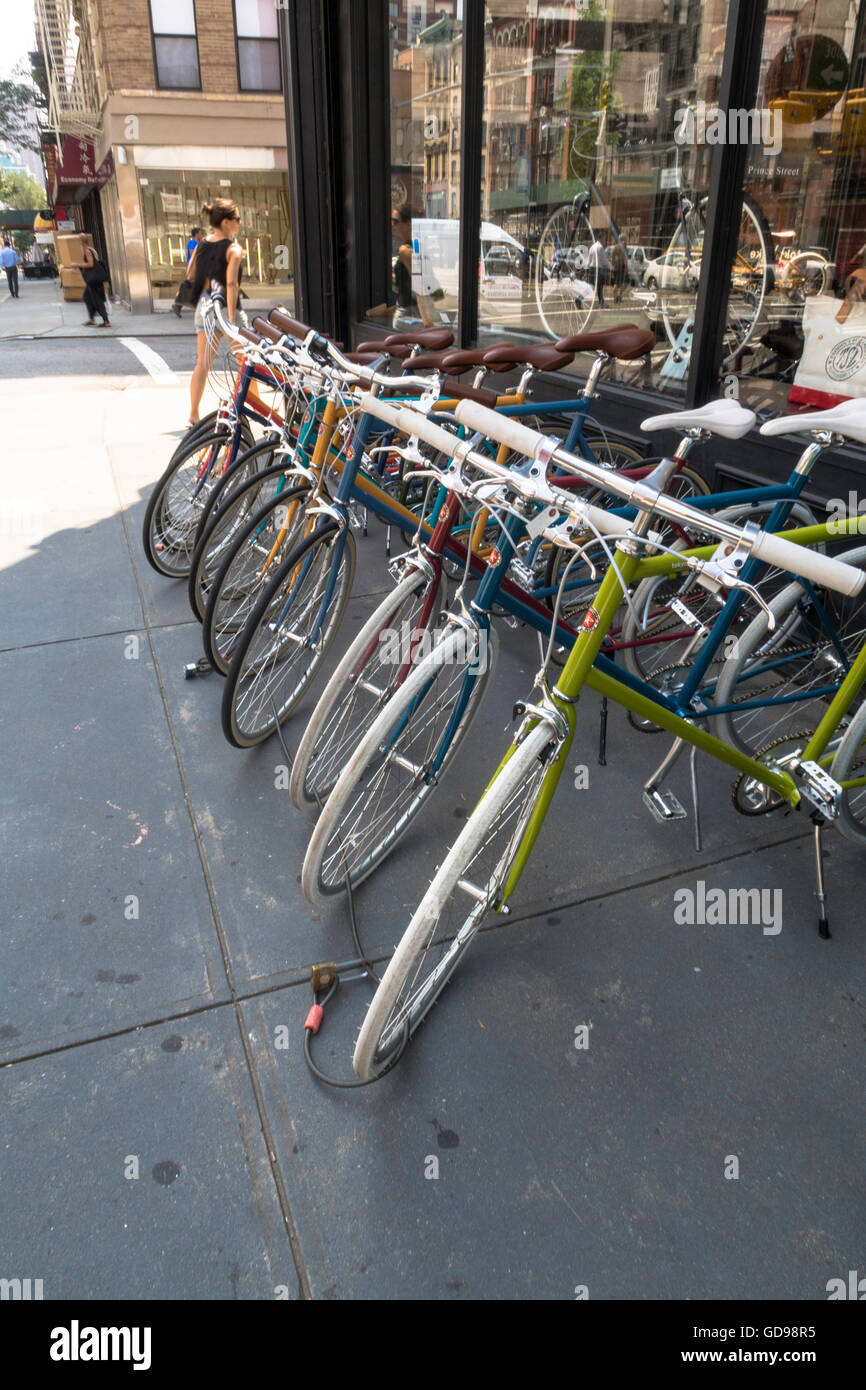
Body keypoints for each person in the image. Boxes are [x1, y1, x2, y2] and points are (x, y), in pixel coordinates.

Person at [187, 198, 246, 427]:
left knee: (203, 363)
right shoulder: (233, 249)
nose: (240, 223)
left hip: (204, 307)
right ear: (226, 222)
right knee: (245, 362)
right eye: (237, 219)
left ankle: (193, 414)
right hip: (225, 309)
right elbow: (231, 285)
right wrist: (231, 318)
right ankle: (257, 407)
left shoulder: (201, 244)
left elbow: (191, 274)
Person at [391, 204, 442, 328]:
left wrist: (428, 318)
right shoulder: (417, 245)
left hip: (407, 312)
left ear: (408, 224)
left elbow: (419, 284)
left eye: (395, 221)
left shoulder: (405, 250)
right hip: (414, 311)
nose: (391, 224)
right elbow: (429, 279)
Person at [72, 236, 110, 326]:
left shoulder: (87, 251)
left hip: (94, 280)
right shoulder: (90, 249)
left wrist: (78, 264)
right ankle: (92, 319)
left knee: (97, 300)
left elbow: (91, 264)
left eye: (79, 241)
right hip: (93, 280)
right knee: (87, 297)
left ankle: (106, 321)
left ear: (81, 241)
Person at [171, 226, 203, 317]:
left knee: (193, 287)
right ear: (196, 234)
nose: (201, 234)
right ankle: (178, 305)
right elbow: (194, 254)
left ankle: (178, 306)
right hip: (193, 268)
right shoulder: (192, 243)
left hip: (198, 267)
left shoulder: (198, 242)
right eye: (200, 233)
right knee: (192, 287)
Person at [587, 233, 609, 308]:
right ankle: (601, 303)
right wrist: (611, 266)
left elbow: (589, 260)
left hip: (591, 269)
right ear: (601, 238)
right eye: (604, 239)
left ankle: (579, 299)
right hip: (598, 270)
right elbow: (604, 261)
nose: (605, 241)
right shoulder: (600, 247)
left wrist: (588, 268)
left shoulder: (592, 247)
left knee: (590, 287)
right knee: (599, 287)